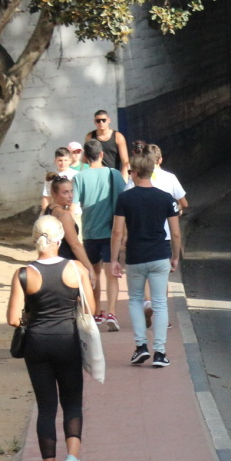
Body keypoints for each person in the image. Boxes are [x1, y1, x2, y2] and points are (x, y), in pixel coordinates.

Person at [6, 215, 94, 461]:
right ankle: (73, 457)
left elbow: (12, 319)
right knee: (72, 403)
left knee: (46, 408)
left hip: (36, 343)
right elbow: (91, 307)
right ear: (59, 240)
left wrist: (33, 320)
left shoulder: (24, 273)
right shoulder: (76, 268)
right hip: (67, 339)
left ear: (35, 239)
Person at [111, 153, 181, 368]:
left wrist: (115, 259)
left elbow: (117, 231)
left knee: (135, 300)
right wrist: (175, 256)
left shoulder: (125, 198)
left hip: (135, 256)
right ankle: (160, 352)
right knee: (160, 303)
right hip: (160, 254)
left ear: (133, 173)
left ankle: (141, 347)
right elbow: (176, 233)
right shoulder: (166, 197)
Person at [73, 140, 122, 330]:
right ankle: (112, 313)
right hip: (110, 232)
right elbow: (122, 202)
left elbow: (75, 206)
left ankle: (97, 312)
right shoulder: (114, 174)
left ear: (85, 157)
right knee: (112, 274)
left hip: (89, 232)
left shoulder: (79, 177)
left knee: (93, 274)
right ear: (102, 155)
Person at [44, 178, 96, 282]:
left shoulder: (49, 209)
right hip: (66, 263)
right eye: (65, 192)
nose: (70, 195)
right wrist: (90, 268)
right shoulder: (63, 215)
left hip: (51, 260)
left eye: (72, 191)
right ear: (54, 194)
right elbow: (75, 245)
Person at [85, 110, 129, 181]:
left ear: (109, 120)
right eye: (98, 121)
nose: (101, 123)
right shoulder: (90, 137)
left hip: (113, 176)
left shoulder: (118, 137)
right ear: (94, 122)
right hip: (96, 177)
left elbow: (125, 162)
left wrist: (123, 179)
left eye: (103, 120)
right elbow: (85, 159)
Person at [39, 146, 76, 215]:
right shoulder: (51, 176)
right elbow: (46, 196)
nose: (63, 163)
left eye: (65, 160)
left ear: (70, 160)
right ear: (55, 160)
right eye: (60, 160)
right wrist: (44, 213)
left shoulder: (76, 175)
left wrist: (70, 211)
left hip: (75, 213)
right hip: (56, 212)